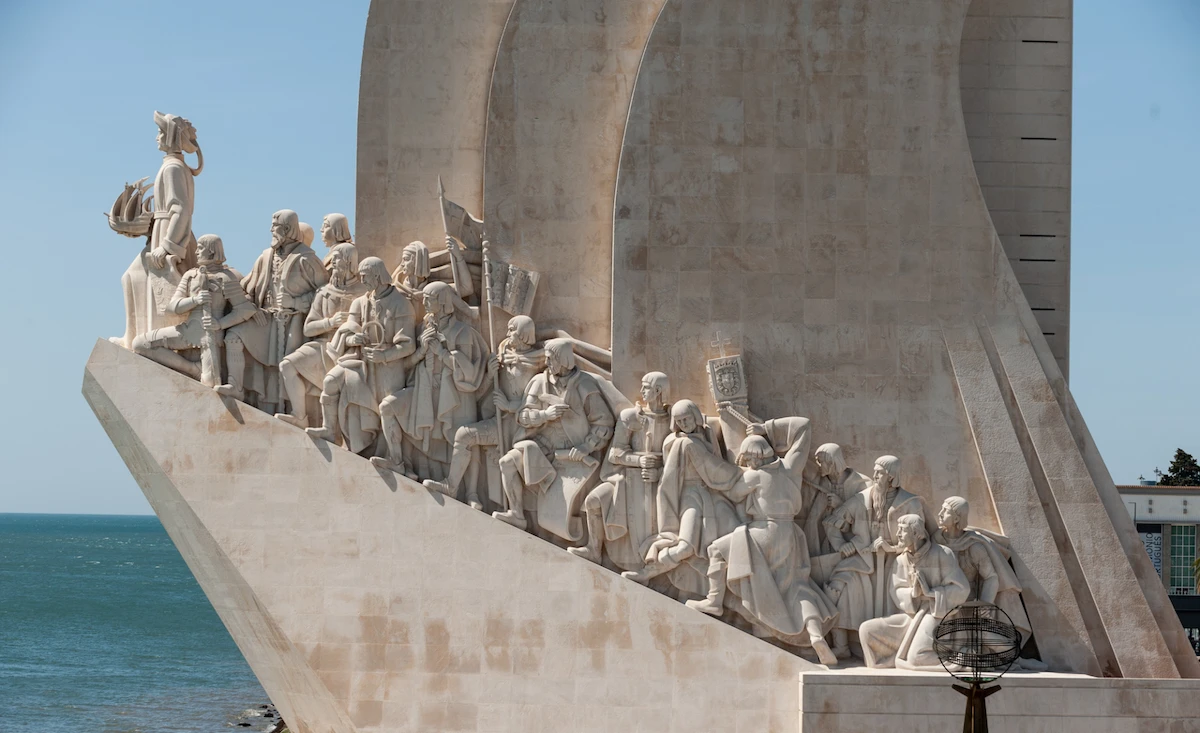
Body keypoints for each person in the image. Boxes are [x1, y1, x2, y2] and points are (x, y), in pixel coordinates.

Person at [685, 430, 839, 665]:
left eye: (750, 459)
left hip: (765, 531)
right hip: (791, 535)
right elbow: (804, 426)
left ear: (756, 457)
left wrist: (743, 470)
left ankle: (714, 601)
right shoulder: (789, 468)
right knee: (797, 588)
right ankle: (816, 634)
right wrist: (768, 426)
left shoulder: (755, 475)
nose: (750, 463)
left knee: (716, 550)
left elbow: (734, 493)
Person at [621, 400, 742, 599]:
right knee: (685, 545)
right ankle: (649, 571)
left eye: (687, 418)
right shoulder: (679, 442)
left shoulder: (707, 435)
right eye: (679, 420)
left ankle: (720, 595)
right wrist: (739, 476)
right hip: (689, 496)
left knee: (730, 538)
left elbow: (716, 460)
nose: (684, 423)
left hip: (712, 496)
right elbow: (673, 471)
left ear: (695, 416)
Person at [492, 339, 615, 531]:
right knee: (506, 462)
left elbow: (604, 423)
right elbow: (523, 416)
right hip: (542, 446)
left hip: (572, 452)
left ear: (563, 360)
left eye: (551, 359)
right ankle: (517, 514)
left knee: (561, 517)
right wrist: (544, 415)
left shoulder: (584, 384)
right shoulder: (540, 382)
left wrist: (586, 446)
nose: (547, 363)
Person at [422, 315, 543, 509]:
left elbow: (541, 401)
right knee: (463, 435)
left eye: (512, 330)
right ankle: (452, 485)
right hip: (501, 423)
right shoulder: (503, 355)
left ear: (523, 334)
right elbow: (482, 392)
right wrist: (489, 374)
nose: (507, 333)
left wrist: (509, 406)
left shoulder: (538, 363)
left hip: (523, 427)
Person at [375, 282, 489, 479]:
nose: (425, 302)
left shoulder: (463, 332)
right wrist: (421, 351)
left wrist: (442, 353)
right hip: (422, 391)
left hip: (453, 396)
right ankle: (397, 462)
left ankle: (469, 492)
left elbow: (469, 372)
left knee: (463, 440)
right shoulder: (422, 329)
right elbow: (406, 365)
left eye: (430, 298)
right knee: (387, 407)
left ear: (443, 301)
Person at [218, 210, 328, 411]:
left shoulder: (306, 258)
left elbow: (326, 292)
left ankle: (294, 412)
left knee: (285, 367)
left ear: (286, 229)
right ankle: (235, 385)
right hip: (266, 319)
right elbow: (247, 286)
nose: (271, 230)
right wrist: (251, 308)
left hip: (294, 321)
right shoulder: (266, 256)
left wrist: (296, 302)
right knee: (233, 335)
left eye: (275, 226)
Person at [306, 257, 416, 455]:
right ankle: (330, 430)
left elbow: (408, 345)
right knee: (330, 381)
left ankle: (393, 458)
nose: (361, 280)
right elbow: (347, 332)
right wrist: (352, 340)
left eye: (365, 276)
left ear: (377, 275)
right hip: (359, 361)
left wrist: (384, 356)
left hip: (388, 367)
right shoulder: (359, 303)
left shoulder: (401, 304)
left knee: (385, 411)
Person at [822, 455, 928, 659]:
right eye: (875, 470)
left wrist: (893, 547)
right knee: (842, 588)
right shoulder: (863, 498)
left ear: (891, 477)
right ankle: (842, 645)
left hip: (898, 562)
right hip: (864, 560)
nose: (874, 475)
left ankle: (893, 647)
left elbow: (921, 538)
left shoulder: (909, 503)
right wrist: (842, 545)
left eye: (879, 472)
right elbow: (831, 522)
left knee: (897, 601)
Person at [114, 111, 201, 349]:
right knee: (130, 276)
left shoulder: (174, 167)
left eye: (161, 132)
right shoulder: (173, 166)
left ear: (171, 137)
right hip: (161, 231)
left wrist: (168, 246)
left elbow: (181, 210)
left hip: (171, 236)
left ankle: (148, 338)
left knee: (144, 280)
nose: (157, 137)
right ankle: (131, 334)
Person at [568, 372, 672, 570]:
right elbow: (615, 453)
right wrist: (639, 459)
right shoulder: (630, 416)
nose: (641, 391)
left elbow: (679, 457)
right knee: (593, 501)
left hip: (655, 482)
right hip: (623, 479)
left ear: (658, 391)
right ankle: (593, 549)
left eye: (646, 387)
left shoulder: (672, 420)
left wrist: (660, 472)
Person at [131, 234, 254, 385]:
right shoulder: (191, 275)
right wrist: (194, 300)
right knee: (140, 344)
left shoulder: (226, 278)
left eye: (200, 248)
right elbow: (172, 307)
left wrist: (220, 324)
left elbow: (245, 310)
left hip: (211, 335)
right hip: (187, 330)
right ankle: (192, 369)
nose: (196, 252)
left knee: (210, 383)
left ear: (211, 251)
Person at [275, 242, 368, 427]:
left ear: (349, 262)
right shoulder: (323, 292)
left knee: (334, 385)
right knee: (287, 365)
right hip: (323, 346)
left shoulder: (363, 293)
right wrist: (330, 323)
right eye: (332, 260)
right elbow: (308, 328)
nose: (333, 264)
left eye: (337, 260)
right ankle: (300, 416)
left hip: (350, 351)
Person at [859, 514, 969, 669]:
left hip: (937, 613)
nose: (897, 534)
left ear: (917, 533)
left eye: (902, 531)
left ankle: (960, 658)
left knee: (917, 658)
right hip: (912, 614)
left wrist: (931, 593)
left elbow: (962, 589)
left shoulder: (943, 554)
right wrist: (913, 594)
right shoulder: (901, 560)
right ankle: (890, 664)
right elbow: (896, 590)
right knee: (867, 630)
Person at [933, 496, 1031, 641]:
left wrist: (985, 605)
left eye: (946, 511)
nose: (940, 513)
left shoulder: (973, 546)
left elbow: (991, 577)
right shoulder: (935, 541)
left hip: (967, 603)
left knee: (983, 638)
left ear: (957, 519)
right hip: (940, 601)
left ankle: (1013, 658)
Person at [804, 443, 871, 556]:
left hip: (852, 547)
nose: (818, 465)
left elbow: (868, 519)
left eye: (821, 461)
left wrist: (840, 504)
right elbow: (812, 520)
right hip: (827, 545)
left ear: (832, 462)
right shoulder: (821, 484)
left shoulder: (862, 484)